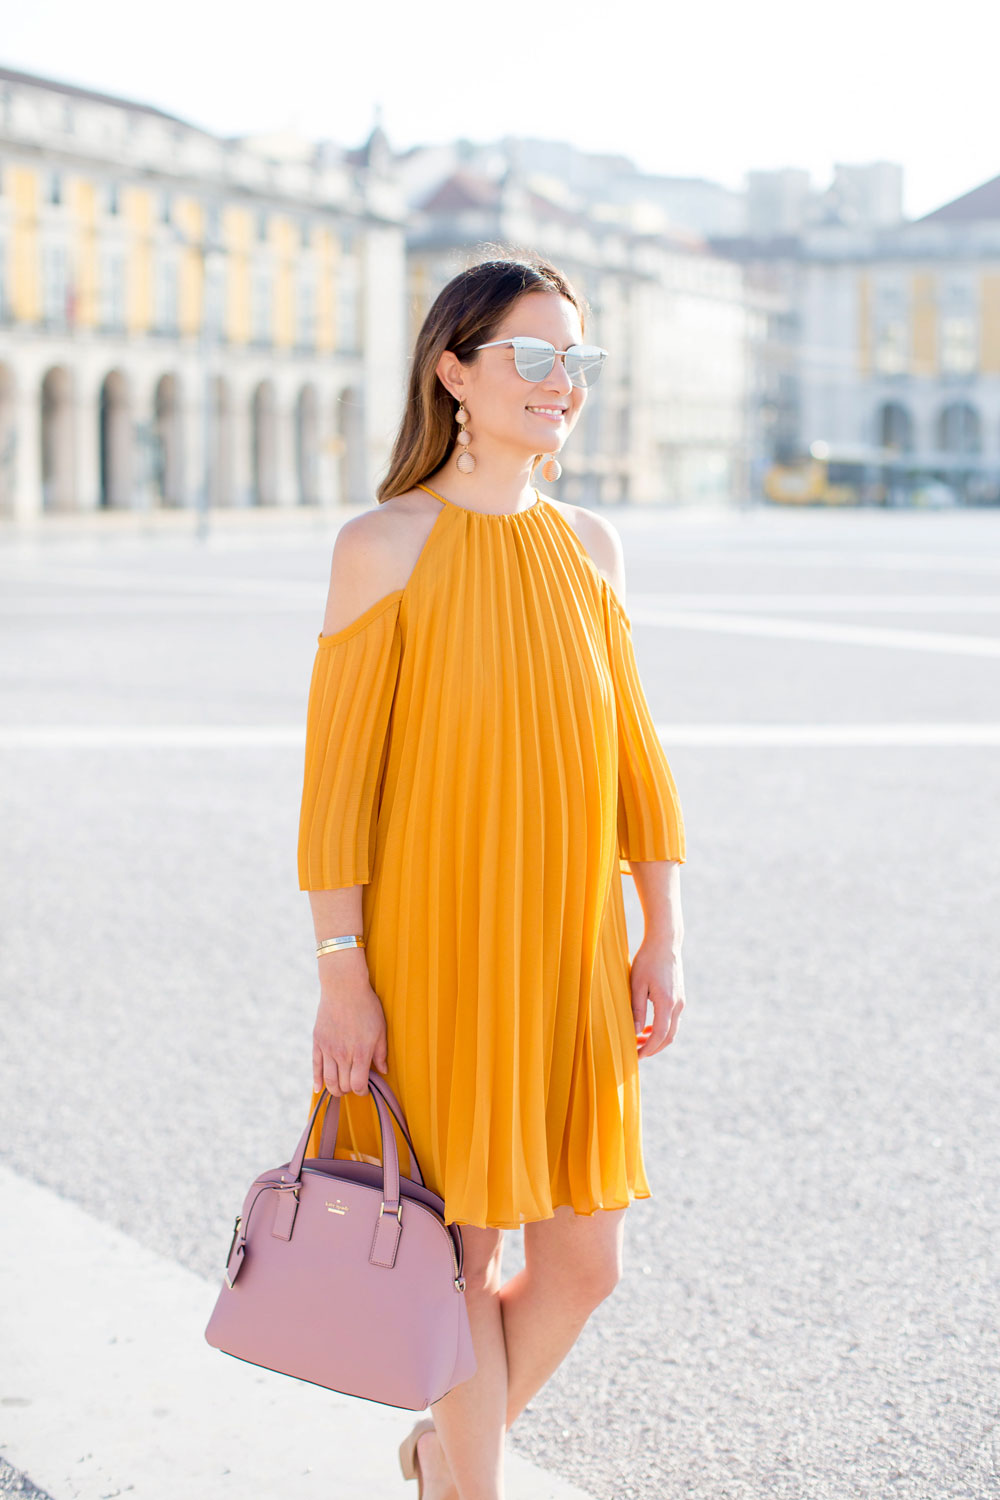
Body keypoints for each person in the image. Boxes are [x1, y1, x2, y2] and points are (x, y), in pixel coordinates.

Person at [297, 253, 686, 1500]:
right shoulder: (383, 546)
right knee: (459, 1254)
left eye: (576, 359)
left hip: (572, 945)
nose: (559, 382)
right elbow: (337, 790)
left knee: (583, 1261)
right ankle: (469, 1485)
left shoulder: (591, 548)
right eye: (533, 354)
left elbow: (635, 758)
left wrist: (662, 931)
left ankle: (442, 1448)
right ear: (453, 370)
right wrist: (341, 979)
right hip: (437, 944)